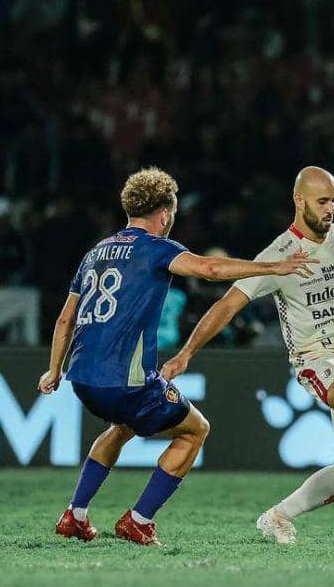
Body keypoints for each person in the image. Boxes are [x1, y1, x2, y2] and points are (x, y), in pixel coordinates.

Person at [39, 167, 318, 545]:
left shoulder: (95, 253)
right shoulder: (156, 248)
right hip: (126, 379)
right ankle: (139, 519)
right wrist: (274, 267)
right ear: (165, 214)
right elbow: (211, 268)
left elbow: (64, 318)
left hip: (82, 378)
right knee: (195, 429)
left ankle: (75, 514)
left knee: (121, 427)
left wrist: (54, 369)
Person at [161, 166, 334, 543]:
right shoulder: (279, 256)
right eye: (322, 201)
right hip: (315, 356)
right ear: (299, 201)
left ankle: (278, 516)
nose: (330, 209)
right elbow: (227, 306)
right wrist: (186, 353)